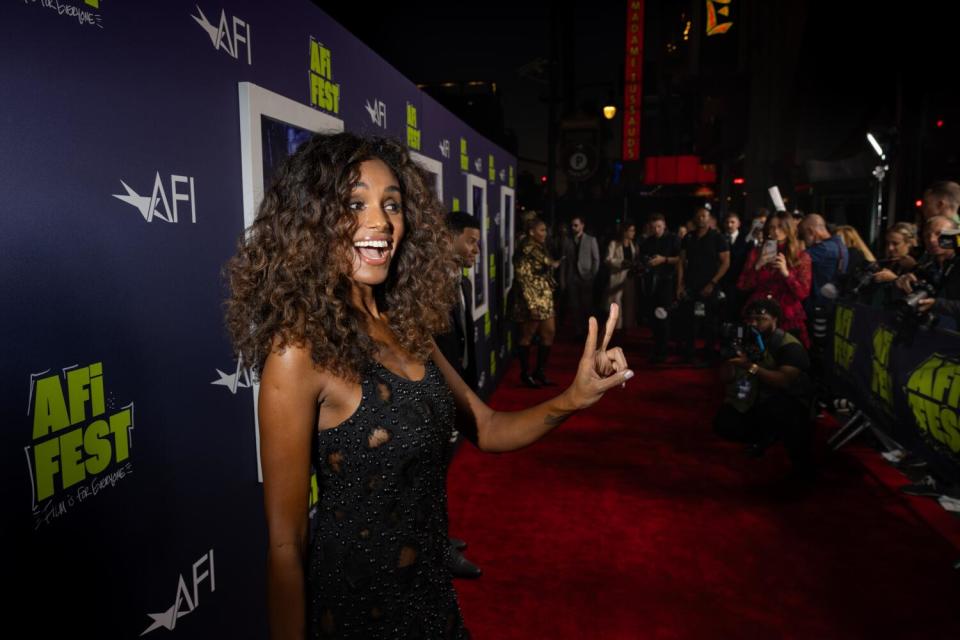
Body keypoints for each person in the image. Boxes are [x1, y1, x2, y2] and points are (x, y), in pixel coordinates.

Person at [226, 132, 633, 639]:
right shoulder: (296, 353)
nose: (380, 222)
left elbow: (486, 426)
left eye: (391, 204)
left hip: (429, 594)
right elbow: (286, 543)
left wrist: (574, 398)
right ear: (311, 220)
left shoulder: (407, 328)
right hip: (355, 610)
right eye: (355, 203)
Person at [433, 210, 483, 580]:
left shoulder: (461, 283)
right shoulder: (429, 287)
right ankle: (435, 550)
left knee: (439, 473)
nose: (476, 250)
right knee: (430, 475)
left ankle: (438, 539)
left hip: (454, 389)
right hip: (434, 394)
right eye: (471, 241)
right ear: (449, 239)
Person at [713, 298, 815, 477]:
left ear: (775, 319)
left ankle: (799, 464)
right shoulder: (747, 340)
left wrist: (750, 367)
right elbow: (726, 377)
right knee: (725, 423)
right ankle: (765, 436)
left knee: (787, 417)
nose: (754, 323)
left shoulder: (789, 345)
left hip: (788, 400)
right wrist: (729, 357)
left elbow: (783, 380)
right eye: (751, 319)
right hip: (755, 397)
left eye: (761, 319)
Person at [738, 211, 812, 346]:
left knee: (787, 352)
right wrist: (757, 265)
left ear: (789, 228)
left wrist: (786, 273)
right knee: (757, 351)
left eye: (781, 227)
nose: (776, 231)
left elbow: (803, 293)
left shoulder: (800, 256)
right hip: (759, 310)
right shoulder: (756, 252)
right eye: (772, 227)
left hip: (787, 311)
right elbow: (742, 285)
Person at [512, 217, 561, 387]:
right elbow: (522, 279)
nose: (545, 234)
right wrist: (531, 304)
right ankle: (525, 374)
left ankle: (539, 372)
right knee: (527, 337)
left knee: (549, 333)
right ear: (531, 232)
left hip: (545, 297)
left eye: (546, 230)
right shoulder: (524, 249)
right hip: (530, 300)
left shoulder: (541, 247)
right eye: (541, 230)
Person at [677, 207, 730, 362]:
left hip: (710, 286)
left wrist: (712, 283)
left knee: (710, 322)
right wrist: (679, 285)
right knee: (689, 321)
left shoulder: (717, 237)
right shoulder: (688, 237)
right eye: (698, 216)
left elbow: (726, 263)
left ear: (709, 218)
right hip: (691, 285)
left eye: (704, 216)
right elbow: (681, 261)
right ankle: (689, 354)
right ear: (694, 218)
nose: (701, 218)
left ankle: (709, 354)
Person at [638, 213, 680, 363]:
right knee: (653, 318)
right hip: (651, 284)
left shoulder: (673, 239)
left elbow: (681, 259)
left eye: (659, 226)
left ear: (664, 225)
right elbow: (642, 259)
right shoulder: (647, 241)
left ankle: (662, 352)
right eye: (653, 227)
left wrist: (664, 259)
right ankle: (657, 348)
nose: (656, 229)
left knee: (663, 317)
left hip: (667, 283)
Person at [562, 215, 600, 339]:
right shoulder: (567, 241)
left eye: (576, 225)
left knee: (587, 305)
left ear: (582, 225)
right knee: (574, 305)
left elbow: (596, 260)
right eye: (572, 225)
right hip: (572, 278)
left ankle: (588, 330)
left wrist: (592, 276)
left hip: (586, 277)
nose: (573, 227)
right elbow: (564, 262)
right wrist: (563, 279)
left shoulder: (591, 240)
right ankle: (578, 330)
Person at [604, 222, 640, 330]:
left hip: (630, 277)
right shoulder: (614, 244)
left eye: (633, 230)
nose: (633, 233)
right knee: (616, 301)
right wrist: (621, 262)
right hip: (617, 276)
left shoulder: (634, 245)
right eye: (631, 230)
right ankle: (616, 326)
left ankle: (627, 325)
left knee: (629, 302)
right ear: (624, 231)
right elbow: (607, 259)